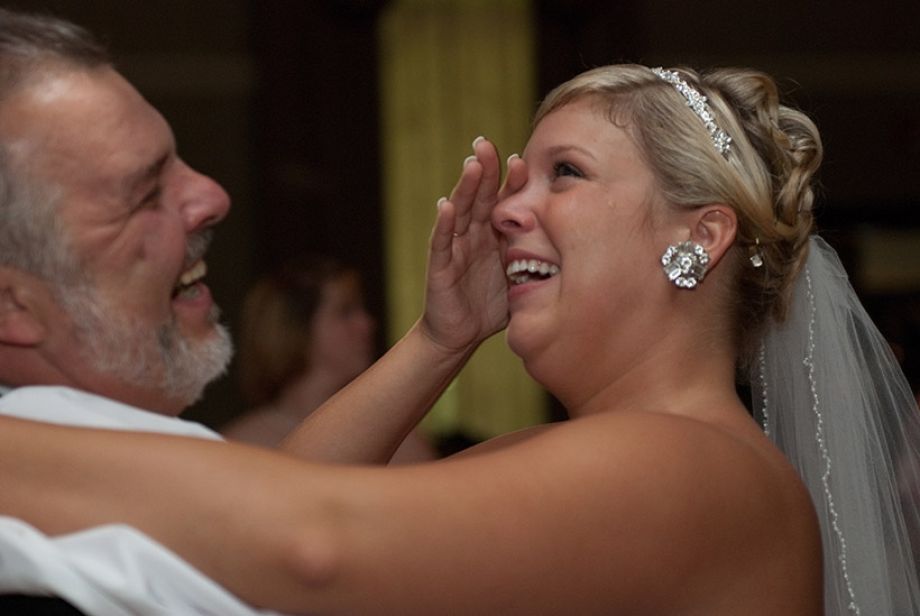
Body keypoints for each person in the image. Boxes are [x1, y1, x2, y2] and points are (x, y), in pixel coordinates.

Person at [2, 18, 919, 615]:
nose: (509, 209)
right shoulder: (580, 454)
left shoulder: (694, 466)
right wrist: (439, 341)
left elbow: (310, 546)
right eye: (519, 180)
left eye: (565, 174)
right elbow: (269, 527)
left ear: (699, 235)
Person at [221, 255, 435, 462]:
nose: (367, 324)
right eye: (345, 311)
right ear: (295, 327)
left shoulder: (399, 438)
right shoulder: (240, 447)